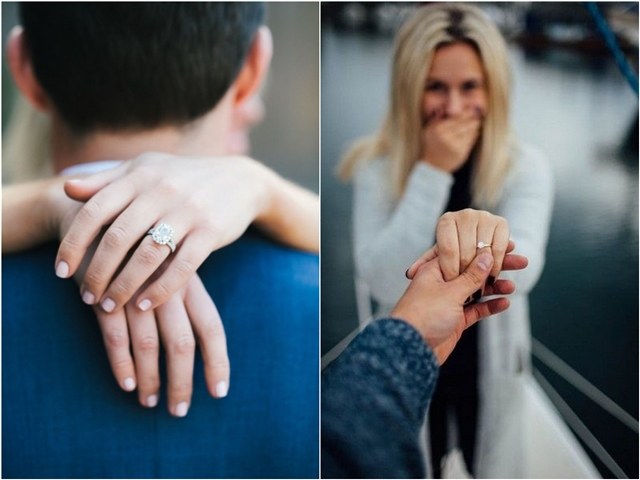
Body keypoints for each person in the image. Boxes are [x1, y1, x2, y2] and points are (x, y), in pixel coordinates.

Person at [3, 3, 318, 477]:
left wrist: (57, 200)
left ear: (24, 69)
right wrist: (266, 189)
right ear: (255, 66)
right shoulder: (317, 302)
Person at [338, 4, 553, 477]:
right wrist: (432, 170)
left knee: (489, 459)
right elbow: (376, 278)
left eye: (469, 87)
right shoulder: (376, 166)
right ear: (409, 88)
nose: (453, 107)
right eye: (436, 86)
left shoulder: (525, 166)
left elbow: (527, 265)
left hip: (489, 357)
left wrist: (490, 243)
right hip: (413, 351)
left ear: (493, 88)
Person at [322, 244, 529, 478]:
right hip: (425, 361)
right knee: (431, 453)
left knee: (480, 452)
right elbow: (380, 281)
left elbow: (524, 274)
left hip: (471, 365)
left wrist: (410, 337)